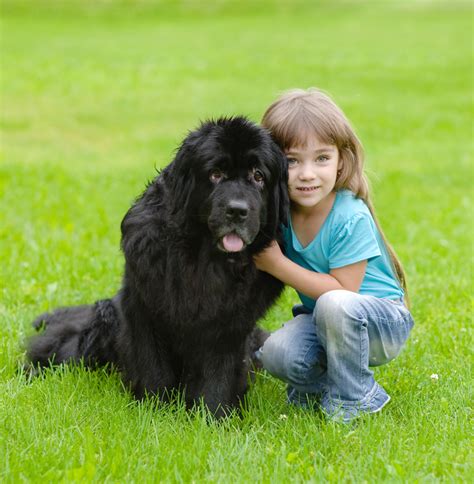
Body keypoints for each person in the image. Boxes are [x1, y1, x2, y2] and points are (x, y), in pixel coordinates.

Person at [254, 88, 414, 423]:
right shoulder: (282, 213)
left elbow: (342, 291)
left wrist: (277, 265)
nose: (307, 174)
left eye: (321, 158)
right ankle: (319, 387)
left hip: (380, 324)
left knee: (334, 303)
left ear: (342, 160)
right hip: (325, 321)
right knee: (275, 353)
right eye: (291, 161)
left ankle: (355, 397)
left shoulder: (349, 215)